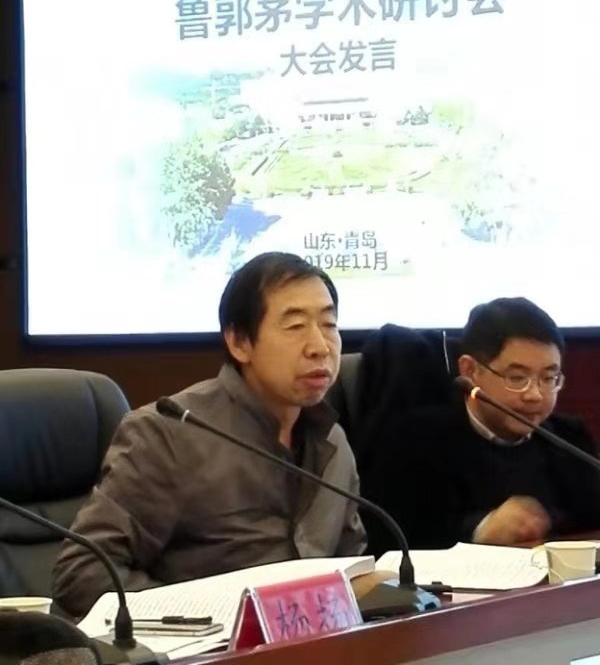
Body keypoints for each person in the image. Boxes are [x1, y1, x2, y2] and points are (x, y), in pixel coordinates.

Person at [52, 252, 366, 619]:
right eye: (295, 326)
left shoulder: (333, 441)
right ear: (239, 342)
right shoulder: (170, 434)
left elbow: (351, 568)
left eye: (329, 324)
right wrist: (204, 617)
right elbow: (82, 573)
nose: (320, 347)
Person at [361, 297, 600, 552]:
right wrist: (478, 529)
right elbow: (388, 540)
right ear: (470, 370)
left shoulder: (569, 438)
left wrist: (545, 521)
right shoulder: (414, 439)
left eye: (549, 378)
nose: (535, 395)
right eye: (517, 377)